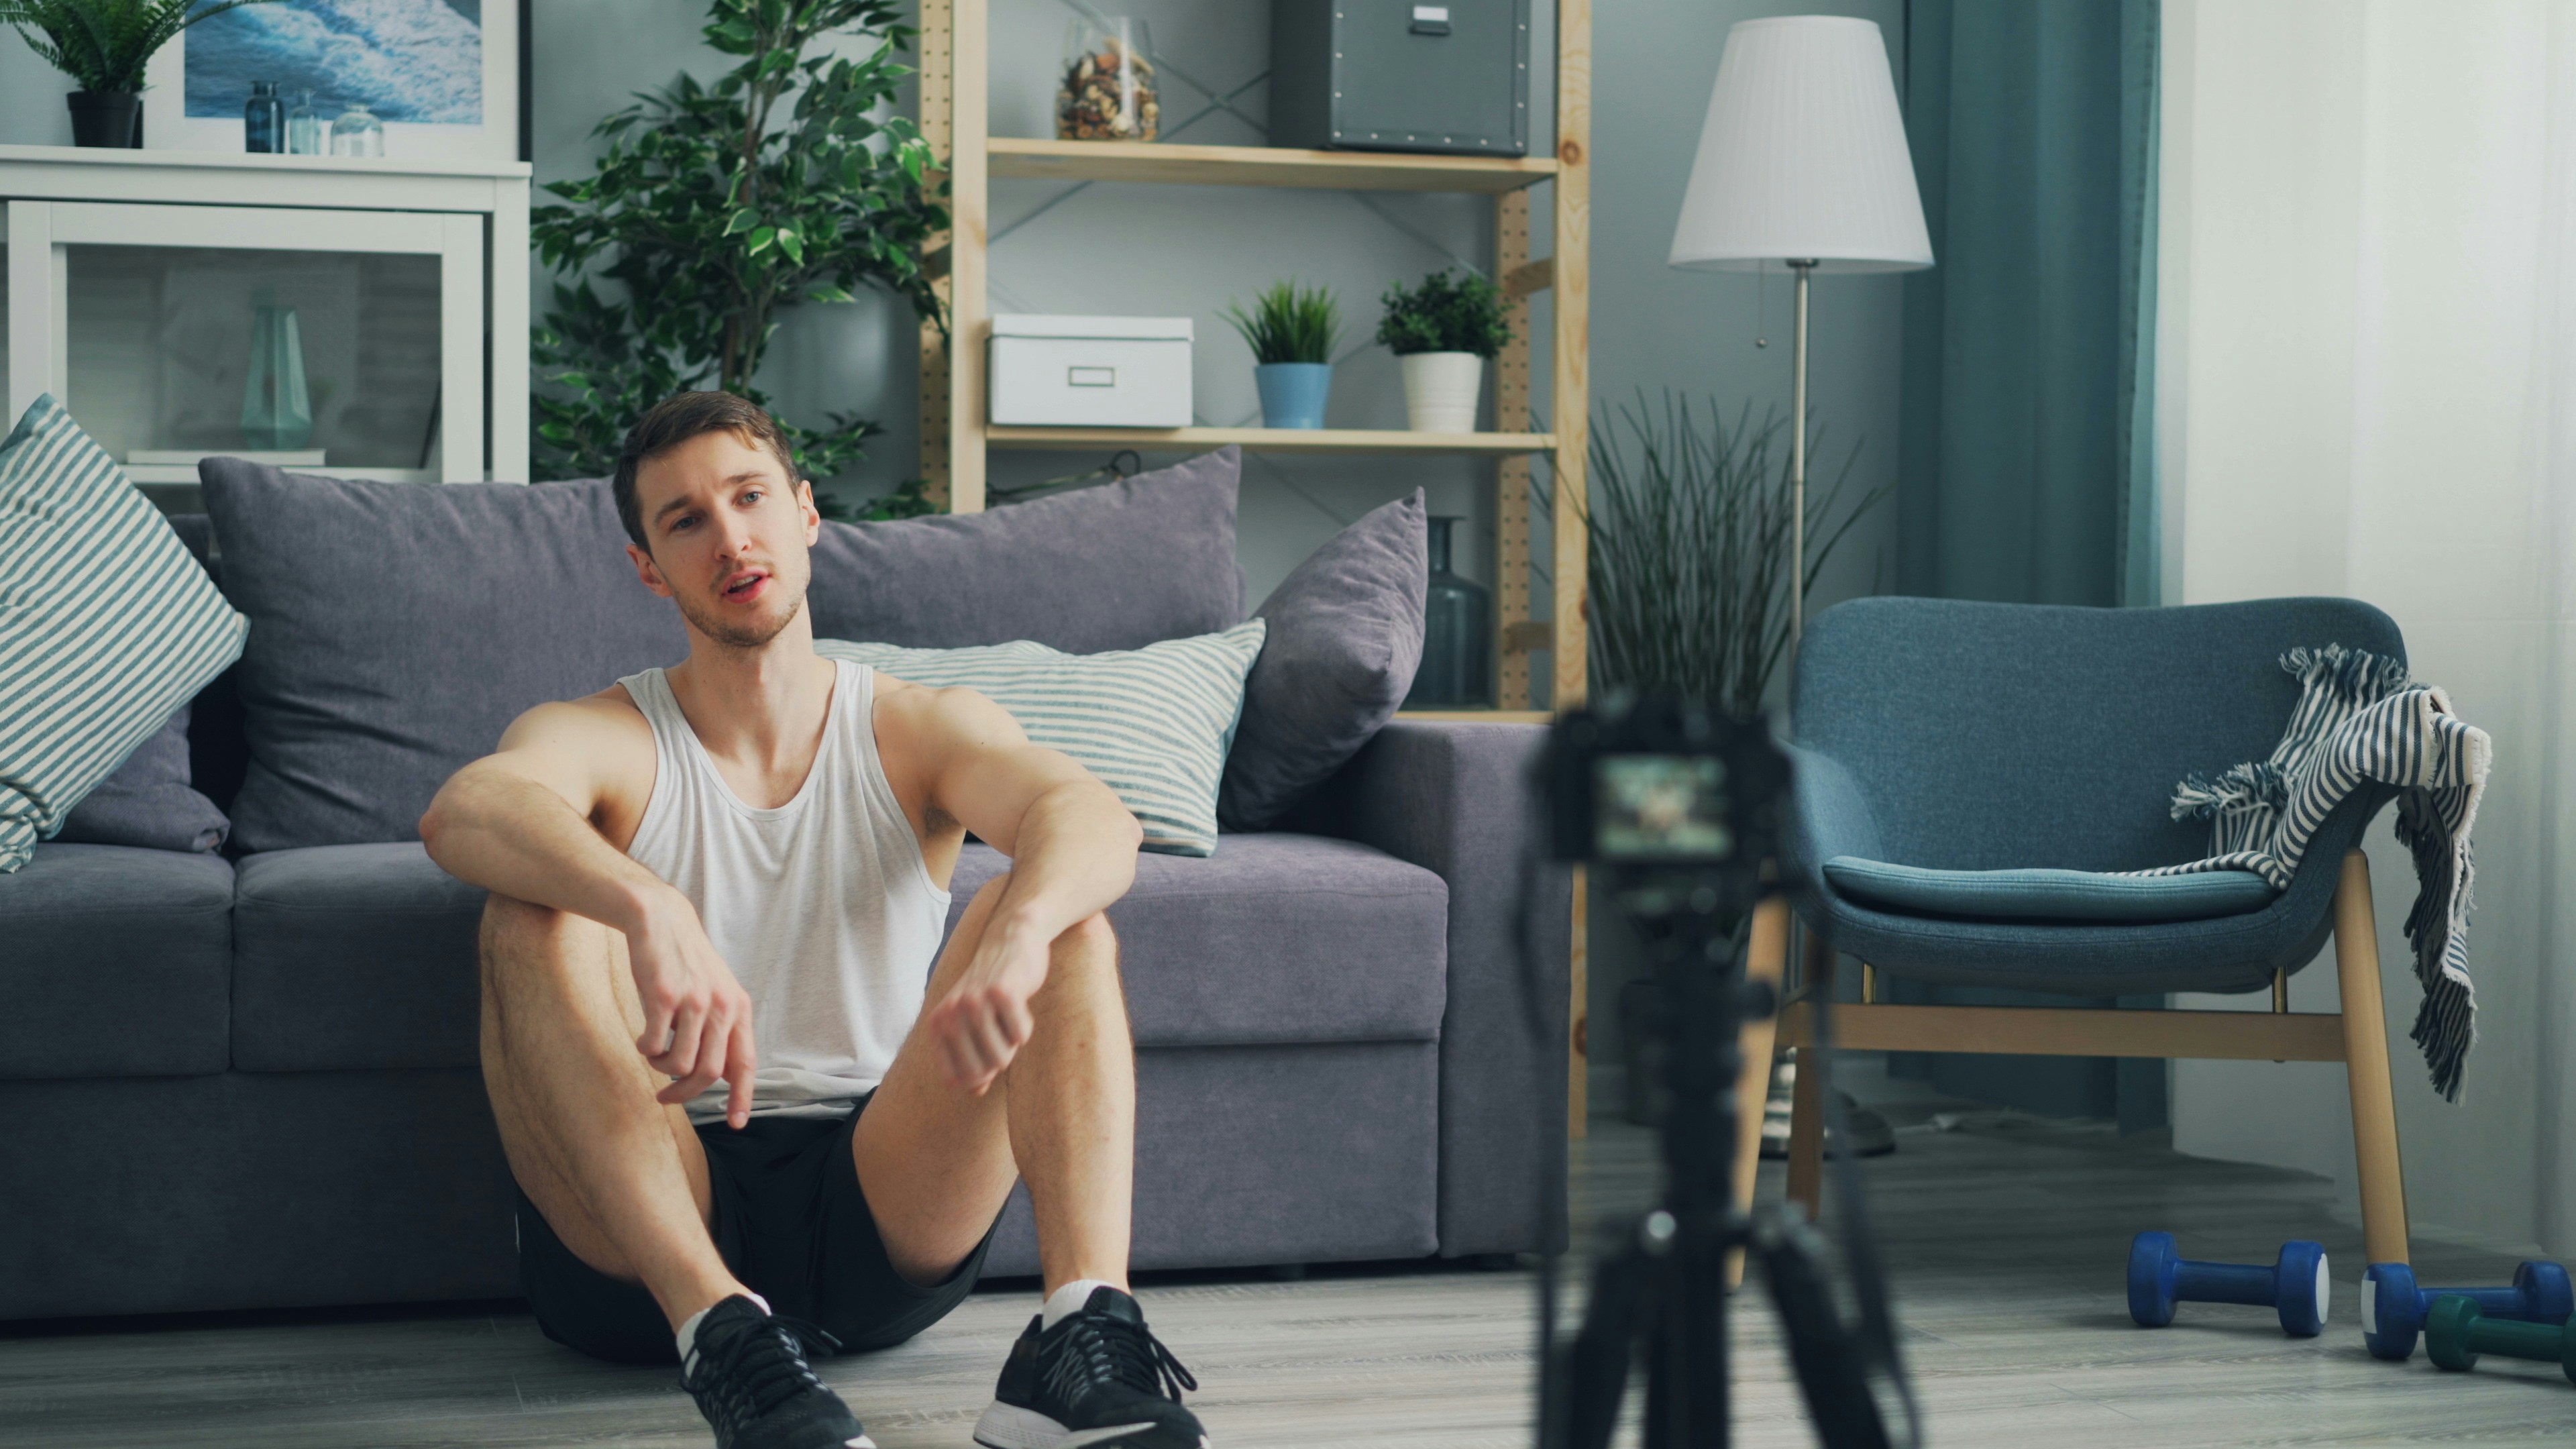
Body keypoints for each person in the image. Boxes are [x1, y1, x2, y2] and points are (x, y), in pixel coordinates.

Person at [420, 392, 1207, 1449]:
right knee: (535, 916)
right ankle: (727, 1343)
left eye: (750, 498)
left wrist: (1020, 930)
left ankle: (1079, 1342)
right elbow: (467, 809)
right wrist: (646, 902)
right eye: (686, 521)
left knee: (1066, 919)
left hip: (877, 1207)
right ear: (649, 568)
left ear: (805, 514)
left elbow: (1091, 815)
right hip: (649, 1231)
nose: (730, 538)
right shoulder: (606, 734)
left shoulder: (916, 726)